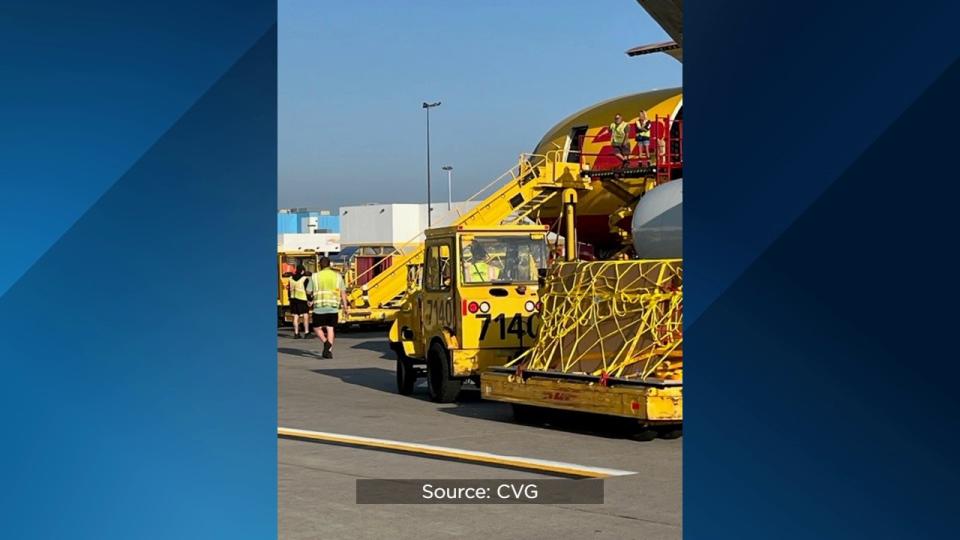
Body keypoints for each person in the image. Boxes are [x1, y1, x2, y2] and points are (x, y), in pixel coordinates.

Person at [309, 256, 348, 358]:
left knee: (316, 327)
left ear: (319, 265)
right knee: (330, 328)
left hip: (319, 306)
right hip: (333, 306)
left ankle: (326, 343)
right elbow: (343, 293)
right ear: (330, 264)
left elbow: (309, 291)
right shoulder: (338, 276)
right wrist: (345, 307)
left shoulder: (314, 276)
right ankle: (328, 351)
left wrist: (310, 300)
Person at [288, 265, 311, 339]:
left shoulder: (290, 279)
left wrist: (290, 298)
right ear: (302, 271)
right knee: (305, 315)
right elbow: (307, 291)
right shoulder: (305, 279)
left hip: (293, 299)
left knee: (295, 316)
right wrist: (309, 300)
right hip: (302, 299)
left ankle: (296, 333)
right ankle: (306, 332)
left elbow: (289, 290)